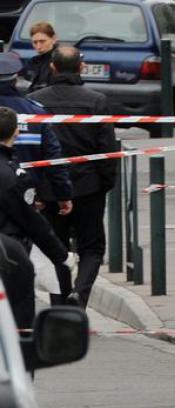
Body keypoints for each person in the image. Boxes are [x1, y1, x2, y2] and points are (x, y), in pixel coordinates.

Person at [29, 46, 118, 308]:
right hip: (88, 185)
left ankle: (60, 304)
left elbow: (32, 145)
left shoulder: (35, 100)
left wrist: (35, 186)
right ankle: (79, 294)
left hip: (48, 188)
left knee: (56, 248)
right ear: (81, 67)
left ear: (53, 67)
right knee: (92, 248)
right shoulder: (96, 101)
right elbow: (107, 149)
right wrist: (105, 183)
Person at [0, 51, 73, 305]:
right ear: (15, 78)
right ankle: (60, 310)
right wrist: (62, 196)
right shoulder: (35, 111)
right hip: (29, 204)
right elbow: (53, 160)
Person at [26, 21, 59, 93]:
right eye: (35, 42)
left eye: (42, 41)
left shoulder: (60, 60)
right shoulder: (33, 61)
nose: (38, 46)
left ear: (54, 39)